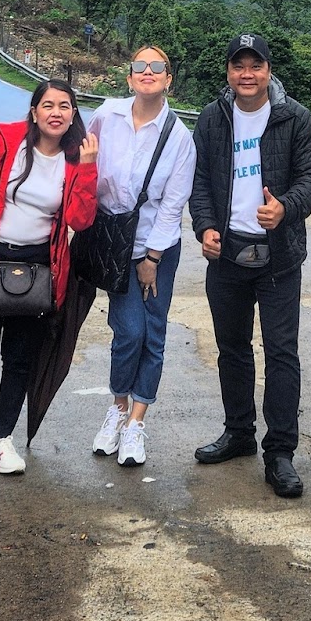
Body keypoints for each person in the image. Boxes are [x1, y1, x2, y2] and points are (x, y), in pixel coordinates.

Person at [190, 34, 311, 498]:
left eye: (256, 65)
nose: (247, 74)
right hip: (227, 254)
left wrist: (285, 207)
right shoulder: (213, 118)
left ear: (269, 70)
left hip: (279, 257)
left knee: (281, 352)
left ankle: (280, 452)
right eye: (238, 66)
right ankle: (239, 433)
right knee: (231, 348)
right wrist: (206, 226)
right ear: (228, 71)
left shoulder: (294, 118)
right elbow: (200, 180)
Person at [0, 79, 98, 483]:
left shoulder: (75, 159)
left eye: (64, 106)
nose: (55, 112)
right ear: (34, 112)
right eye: (47, 105)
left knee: (18, 359)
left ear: (73, 115)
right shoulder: (6, 143)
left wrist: (87, 168)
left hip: (38, 269)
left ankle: (1, 442)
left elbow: (80, 220)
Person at [85, 44, 197, 467]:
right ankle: (117, 408)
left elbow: (173, 203)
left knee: (153, 333)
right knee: (128, 331)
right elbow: (85, 166)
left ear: (168, 79)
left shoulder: (179, 137)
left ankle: (136, 421)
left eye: (157, 67)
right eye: (140, 66)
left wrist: (152, 258)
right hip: (114, 242)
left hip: (157, 246)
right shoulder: (107, 115)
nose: (147, 71)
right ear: (130, 77)